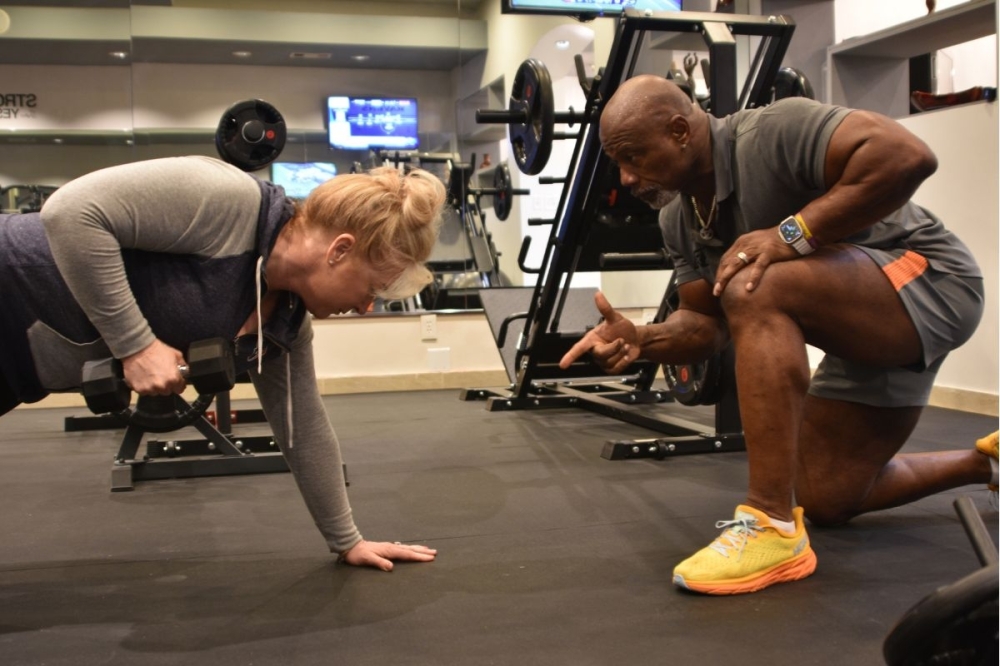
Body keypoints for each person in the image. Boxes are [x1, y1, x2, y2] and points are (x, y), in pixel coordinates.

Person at [560, 75, 997, 595]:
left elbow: (906, 155)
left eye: (633, 157)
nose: (627, 178)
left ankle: (771, 525)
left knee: (753, 277)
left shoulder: (772, 131)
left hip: (929, 280)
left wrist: (792, 234)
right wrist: (643, 338)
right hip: (861, 327)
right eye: (620, 163)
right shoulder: (678, 219)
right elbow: (707, 326)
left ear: (679, 130)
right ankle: (987, 462)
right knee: (828, 497)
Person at [0, 155, 446, 572]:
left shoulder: (285, 321)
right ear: (339, 251)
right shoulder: (228, 201)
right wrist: (135, 345)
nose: (367, 306)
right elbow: (70, 213)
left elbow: (303, 427)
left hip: (21, 368)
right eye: (372, 288)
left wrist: (348, 540)